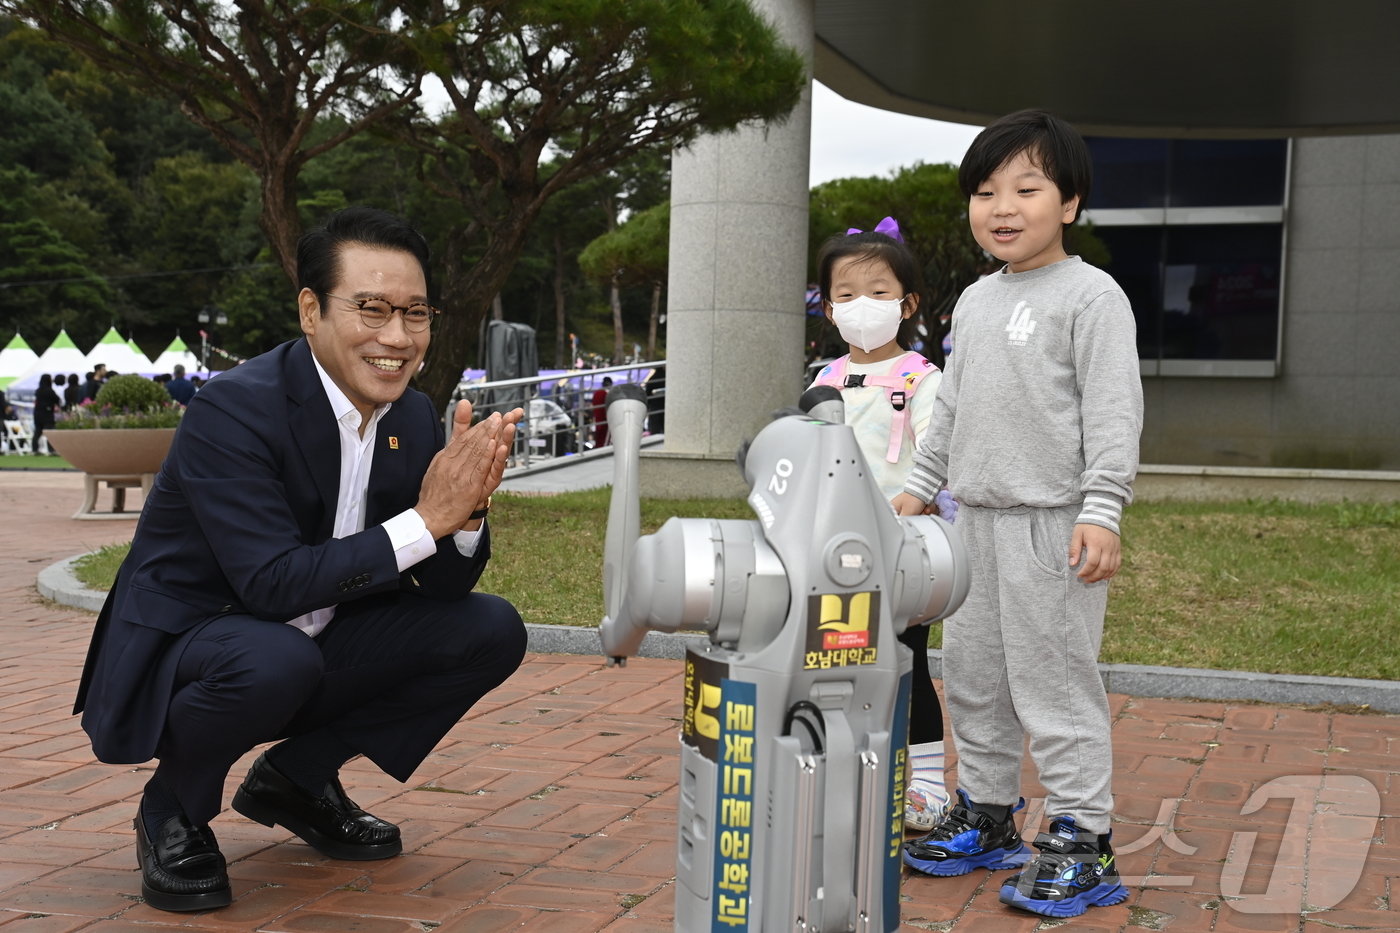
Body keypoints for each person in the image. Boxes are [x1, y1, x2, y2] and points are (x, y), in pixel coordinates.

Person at [73, 206, 528, 914]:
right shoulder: (233, 410)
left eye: (415, 313)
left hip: (312, 634)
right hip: (195, 640)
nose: (396, 337)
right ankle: (172, 808)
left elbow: (439, 583)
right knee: (274, 658)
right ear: (311, 310)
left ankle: (297, 778)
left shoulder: (410, 414)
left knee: (489, 628)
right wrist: (426, 518)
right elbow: (271, 582)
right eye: (371, 309)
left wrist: (464, 518)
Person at [893, 110, 1142, 920]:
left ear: (1068, 203)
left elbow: (1113, 413)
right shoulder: (973, 301)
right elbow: (954, 413)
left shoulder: (1092, 297)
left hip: (1051, 524)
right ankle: (990, 811)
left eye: (1026, 188)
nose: (1002, 205)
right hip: (973, 525)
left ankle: (1081, 837)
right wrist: (919, 484)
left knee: (1055, 683)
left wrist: (1102, 510)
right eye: (986, 190)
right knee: (974, 679)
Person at [807, 218, 950, 834]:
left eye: (878, 291)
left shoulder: (924, 380)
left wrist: (915, 503)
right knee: (835, 662)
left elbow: (939, 455)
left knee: (906, 661)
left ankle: (924, 783)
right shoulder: (824, 381)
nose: (862, 306)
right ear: (829, 310)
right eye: (846, 294)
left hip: (905, 547)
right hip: (835, 549)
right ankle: (845, 771)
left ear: (908, 303)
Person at [32, 373, 61, 455]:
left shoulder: (38, 391)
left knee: (37, 432)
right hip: (47, 414)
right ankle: (51, 450)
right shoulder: (50, 391)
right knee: (50, 432)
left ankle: (34, 449)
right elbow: (57, 400)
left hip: (37, 414)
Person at [591, 376, 612, 447]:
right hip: (605, 420)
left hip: (598, 420)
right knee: (604, 440)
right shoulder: (606, 394)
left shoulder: (596, 393)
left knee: (599, 439)